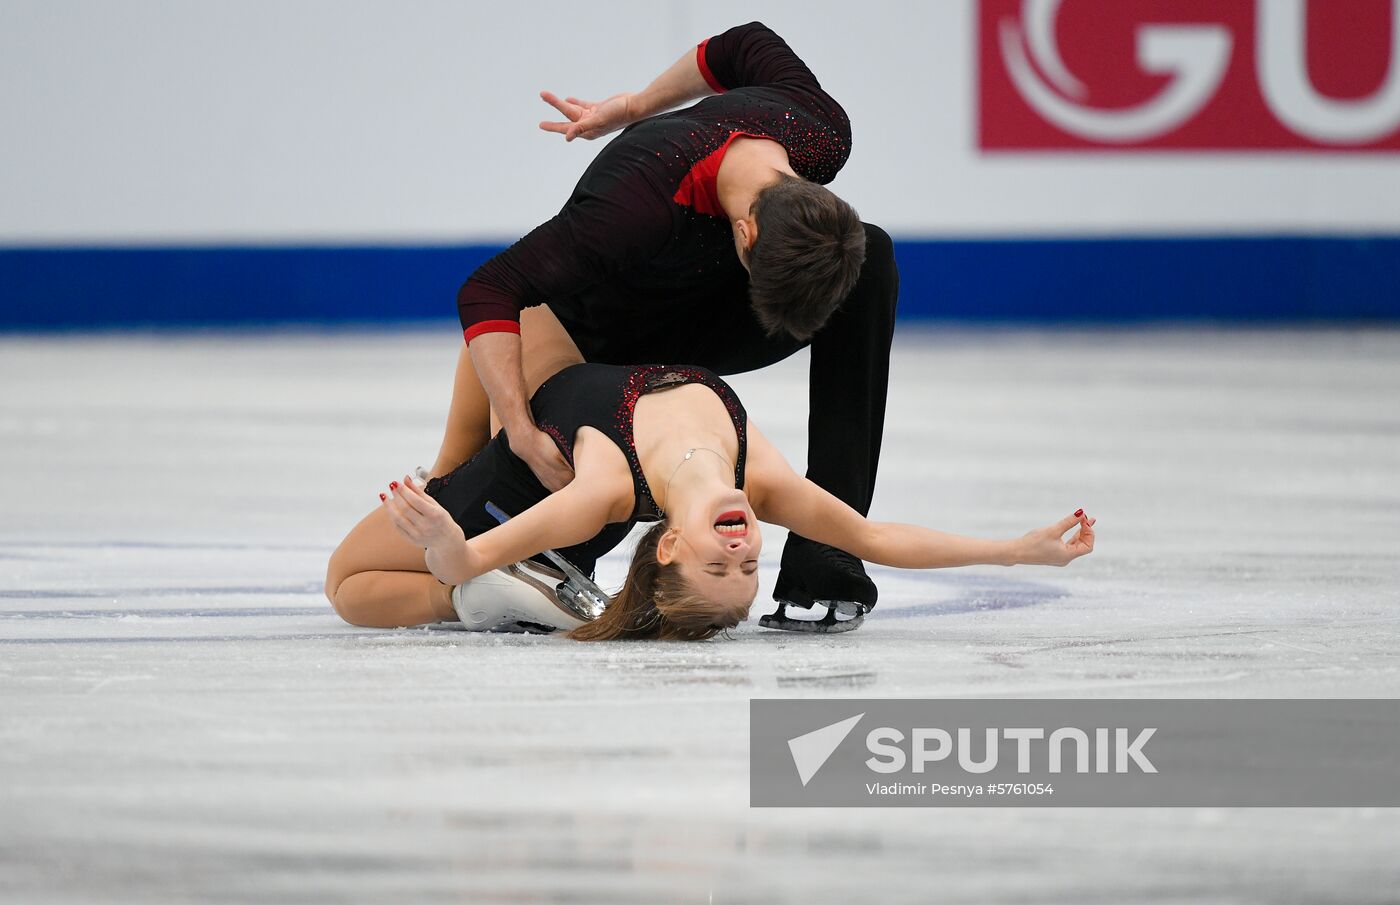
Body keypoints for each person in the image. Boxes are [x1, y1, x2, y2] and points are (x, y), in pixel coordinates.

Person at [435, 21, 900, 626]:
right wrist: (522, 432)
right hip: (609, 341)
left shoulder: (818, 133)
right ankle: (548, 546)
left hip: (710, 311)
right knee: (566, 511)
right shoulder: (633, 204)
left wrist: (635, 103)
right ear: (749, 233)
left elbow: (741, 42)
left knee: (872, 257)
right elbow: (489, 289)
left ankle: (828, 552)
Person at [326, 338, 1097, 641]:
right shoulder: (755, 476)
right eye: (749, 569)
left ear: (667, 542)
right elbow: (875, 539)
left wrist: (449, 543)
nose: (741, 552)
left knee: (348, 587)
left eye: (715, 566)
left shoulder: (599, 491)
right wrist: (1014, 549)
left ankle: (486, 602)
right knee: (520, 334)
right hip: (526, 457)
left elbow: (460, 555)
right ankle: (525, 578)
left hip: (496, 502)